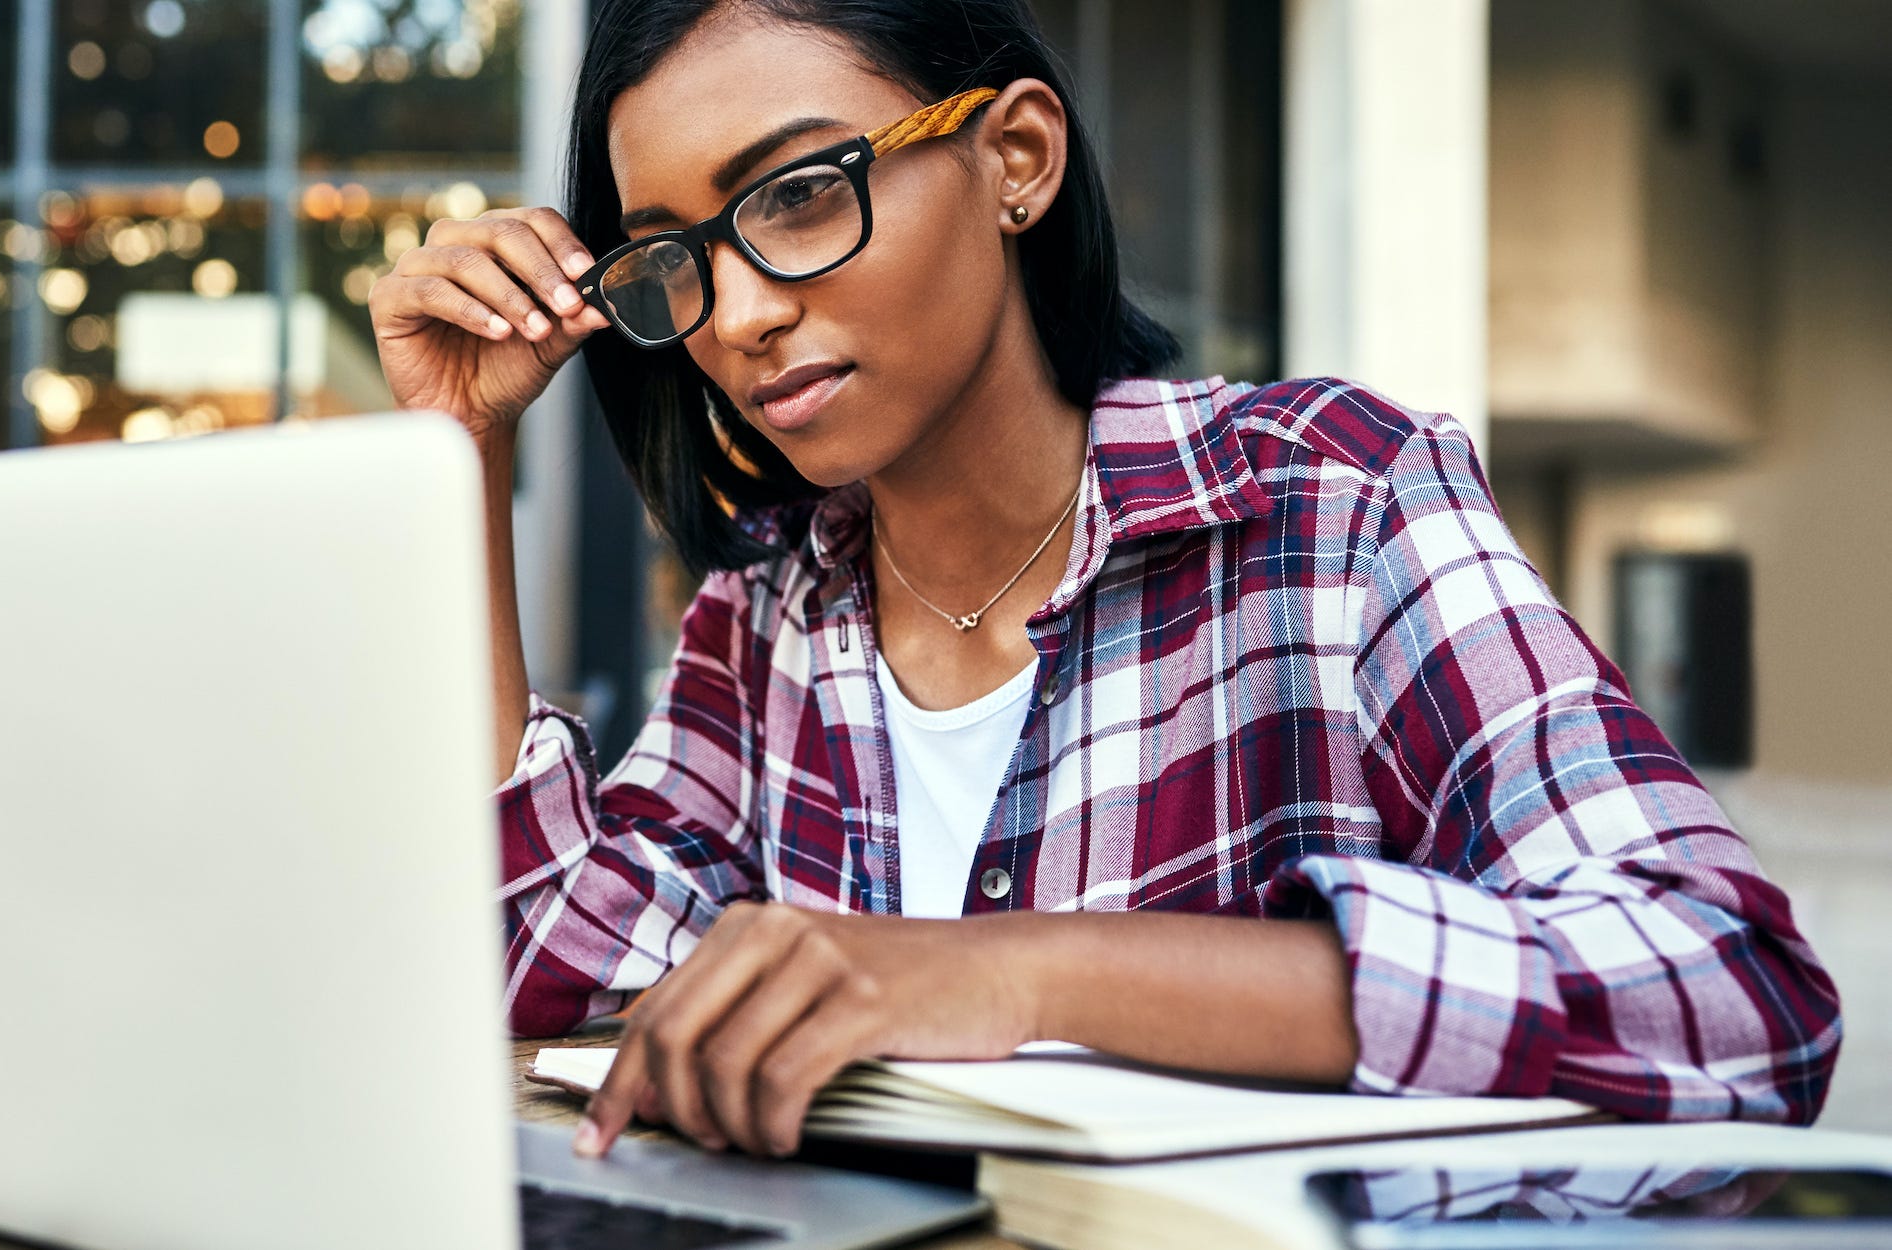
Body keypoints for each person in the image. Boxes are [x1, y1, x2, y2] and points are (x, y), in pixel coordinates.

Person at [366, 0, 1841, 1163]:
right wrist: (464, 451)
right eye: (671, 259)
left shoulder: (1329, 501)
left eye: (801, 194)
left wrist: (1018, 972)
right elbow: (543, 976)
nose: (739, 314)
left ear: (1015, 157)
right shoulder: (763, 624)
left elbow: (1728, 985)